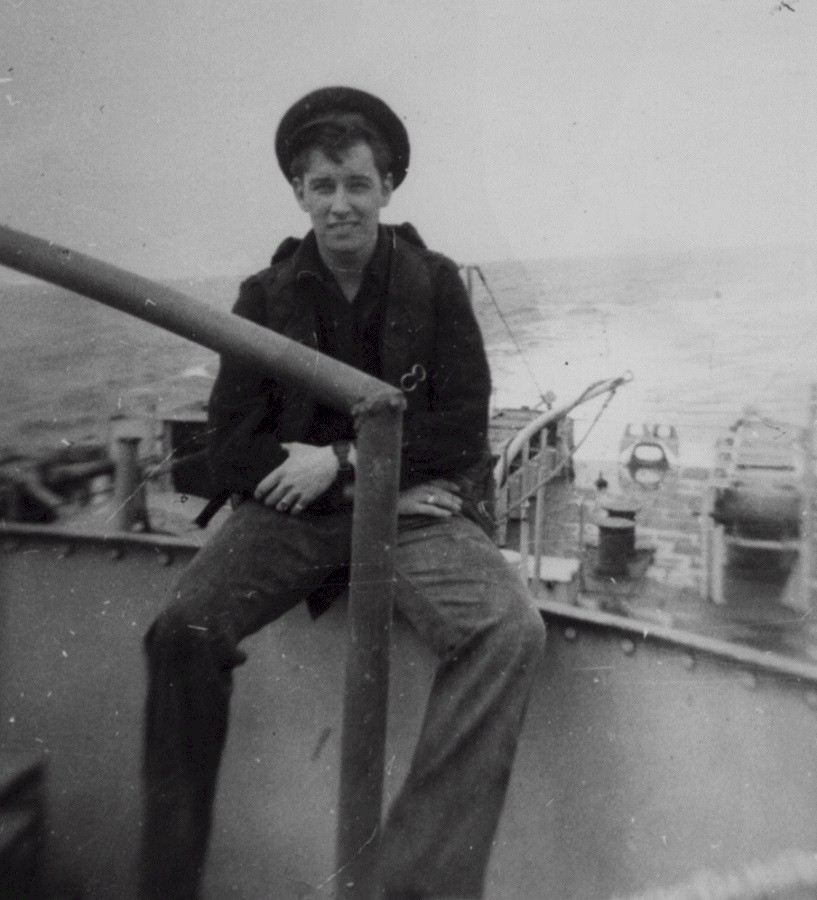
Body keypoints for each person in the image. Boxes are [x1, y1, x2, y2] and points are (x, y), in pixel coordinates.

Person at [139, 86, 547, 900]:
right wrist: (361, 491)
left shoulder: (434, 283)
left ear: (387, 187)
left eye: (357, 184)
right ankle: (166, 882)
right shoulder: (263, 296)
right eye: (321, 186)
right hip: (300, 517)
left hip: (412, 515)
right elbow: (232, 443)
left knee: (508, 631)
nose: (339, 205)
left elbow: (462, 429)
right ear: (298, 192)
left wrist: (344, 463)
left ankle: (414, 885)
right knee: (181, 631)